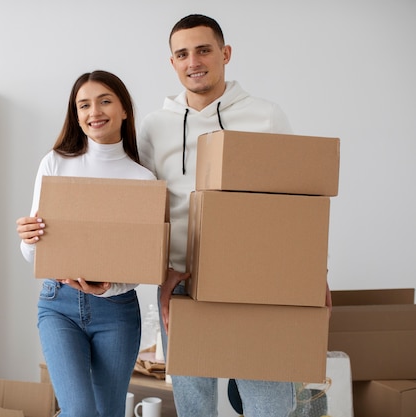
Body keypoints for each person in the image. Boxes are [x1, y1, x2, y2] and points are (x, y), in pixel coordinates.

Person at [138, 14, 331, 417]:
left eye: (204, 50)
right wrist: (160, 272)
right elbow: (145, 208)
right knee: (195, 409)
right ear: (171, 63)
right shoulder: (154, 128)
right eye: (182, 54)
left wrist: (316, 275)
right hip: (183, 287)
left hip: (259, 286)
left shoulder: (266, 116)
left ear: (225, 54)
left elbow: (298, 204)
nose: (194, 61)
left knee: (269, 407)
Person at [16, 70, 156, 417]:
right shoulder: (55, 163)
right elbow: (33, 253)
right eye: (84, 105)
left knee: (109, 413)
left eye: (105, 100)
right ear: (76, 116)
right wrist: (29, 237)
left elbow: (141, 261)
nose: (95, 111)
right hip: (58, 304)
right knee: (78, 411)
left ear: (124, 109)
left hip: (117, 311)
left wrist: (107, 288)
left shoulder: (143, 178)